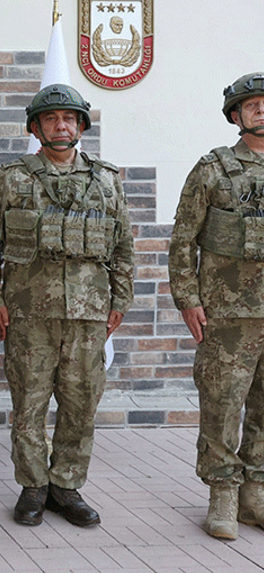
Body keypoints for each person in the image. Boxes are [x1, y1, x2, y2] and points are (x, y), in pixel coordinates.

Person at [0, 84, 133, 528]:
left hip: (89, 315)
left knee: (81, 403)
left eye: (69, 118)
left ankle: (66, 485)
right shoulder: (13, 179)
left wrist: (120, 300)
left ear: (81, 126)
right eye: (50, 119)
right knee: (28, 403)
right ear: (36, 127)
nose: (60, 125)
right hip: (28, 314)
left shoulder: (106, 181)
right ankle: (33, 485)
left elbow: (123, 246)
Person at [170, 72, 264, 540]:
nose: (261, 110)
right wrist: (188, 300)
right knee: (223, 406)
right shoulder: (213, 170)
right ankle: (223, 493)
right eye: (252, 104)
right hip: (228, 316)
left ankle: (256, 494)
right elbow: (183, 240)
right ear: (236, 115)